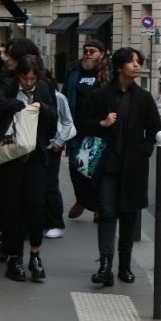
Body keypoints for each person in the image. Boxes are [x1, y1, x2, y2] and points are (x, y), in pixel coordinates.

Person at [79, 47, 161, 285]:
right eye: (132, 62)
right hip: (107, 166)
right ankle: (105, 265)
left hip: (134, 167)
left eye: (138, 62)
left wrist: (145, 150)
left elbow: (154, 129)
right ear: (119, 67)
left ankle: (124, 265)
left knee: (129, 216)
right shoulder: (101, 95)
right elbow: (83, 124)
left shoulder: (143, 98)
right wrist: (102, 123)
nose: (137, 65)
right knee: (107, 213)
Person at [0, 47, 57, 282]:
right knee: (13, 207)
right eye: (25, 78)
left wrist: (41, 109)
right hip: (12, 155)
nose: (28, 83)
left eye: (33, 79)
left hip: (35, 154)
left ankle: (35, 254)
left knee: (35, 203)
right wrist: (21, 106)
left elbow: (55, 115)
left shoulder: (44, 88)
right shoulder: (10, 85)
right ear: (19, 75)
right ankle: (15, 257)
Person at [63, 39, 110, 218]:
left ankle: (95, 205)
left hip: (97, 129)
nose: (88, 54)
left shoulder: (107, 73)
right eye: (86, 50)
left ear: (102, 54)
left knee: (91, 170)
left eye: (92, 51)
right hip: (75, 128)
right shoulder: (74, 71)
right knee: (75, 168)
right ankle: (82, 200)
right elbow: (66, 95)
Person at [44, 84, 76, 239]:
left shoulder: (58, 98)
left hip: (52, 146)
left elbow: (68, 121)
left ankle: (56, 222)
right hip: (34, 146)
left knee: (50, 184)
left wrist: (59, 141)